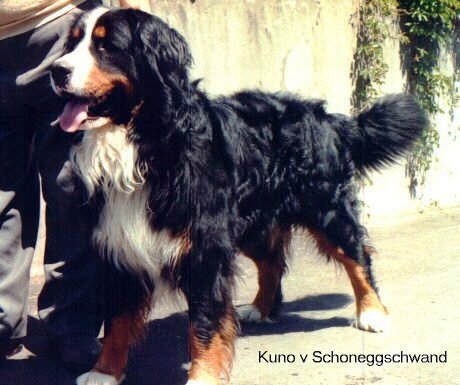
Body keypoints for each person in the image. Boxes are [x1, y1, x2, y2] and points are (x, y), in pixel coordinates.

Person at [0, 0, 150, 371]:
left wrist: (135, 13)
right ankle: (3, 323)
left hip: (59, 27)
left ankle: (72, 326)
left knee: (71, 187)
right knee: (2, 193)